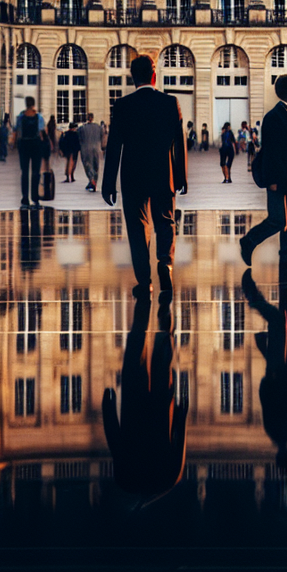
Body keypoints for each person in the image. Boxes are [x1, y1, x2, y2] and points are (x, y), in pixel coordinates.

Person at [103, 54, 189, 293]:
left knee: (137, 226)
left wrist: (108, 183)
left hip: (132, 174)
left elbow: (114, 146)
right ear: (154, 75)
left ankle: (144, 281)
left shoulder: (122, 105)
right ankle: (165, 263)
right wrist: (181, 176)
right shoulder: (170, 102)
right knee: (165, 220)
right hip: (163, 171)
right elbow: (178, 144)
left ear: (133, 78)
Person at [101, 292, 188, 502]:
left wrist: (180, 411)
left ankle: (163, 310)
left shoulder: (169, 480)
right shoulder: (126, 481)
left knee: (161, 356)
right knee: (135, 351)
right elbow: (115, 441)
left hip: (159, 412)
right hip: (134, 409)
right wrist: (108, 405)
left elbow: (179, 440)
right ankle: (144, 305)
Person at [240, 74, 287, 276]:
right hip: (280, 180)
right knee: (278, 219)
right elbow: (271, 151)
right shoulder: (274, 116)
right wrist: (272, 181)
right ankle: (249, 241)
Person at [243, 268, 287, 473]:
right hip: (277, 371)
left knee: (282, 323)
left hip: (286, 369)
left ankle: (254, 297)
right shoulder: (273, 432)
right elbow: (264, 398)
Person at [12, 98, 45, 205]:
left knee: (24, 172)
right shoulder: (39, 117)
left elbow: (17, 131)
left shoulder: (20, 117)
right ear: (34, 104)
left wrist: (14, 145)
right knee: (36, 172)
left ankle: (25, 197)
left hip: (24, 144)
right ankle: (35, 196)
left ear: (26, 104)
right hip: (36, 144)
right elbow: (42, 132)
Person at [78, 113, 104, 192]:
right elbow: (101, 137)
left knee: (88, 164)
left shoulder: (82, 128)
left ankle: (91, 179)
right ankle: (94, 181)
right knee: (96, 165)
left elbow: (79, 139)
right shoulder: (98, 127)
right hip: (96, 148)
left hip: (86, 148)